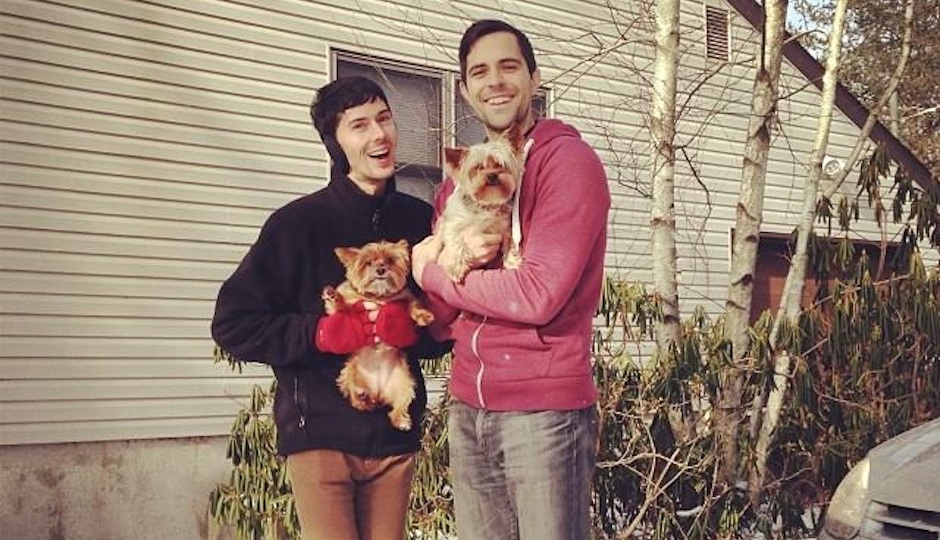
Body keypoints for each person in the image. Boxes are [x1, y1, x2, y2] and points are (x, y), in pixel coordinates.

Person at [212, 76, 447, 540]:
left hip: (394, 434)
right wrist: (320, 334)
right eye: (359, 125)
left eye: (384, 118)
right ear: (335, 145)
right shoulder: (295, 225)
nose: (379, 134)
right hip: (319, 433)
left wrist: (415, 330)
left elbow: (438, 334)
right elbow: (232, 324)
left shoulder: (420, 222)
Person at [411, 19, 611, 540]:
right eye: (479, 71)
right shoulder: (456, 190)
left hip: (542, 411)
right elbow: (439, 324)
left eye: (508, 67)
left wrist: (432, 272)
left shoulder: (568, 164)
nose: (494, 81)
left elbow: (537, 295)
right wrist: (439, 283)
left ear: (534, 78)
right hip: (469, 405)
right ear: (464, 90)